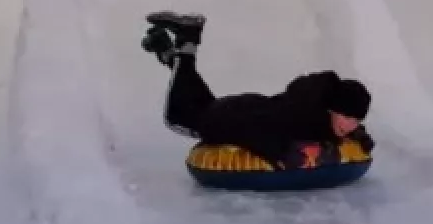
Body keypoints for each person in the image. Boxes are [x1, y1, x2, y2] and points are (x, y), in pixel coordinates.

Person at [141, 12, 373, 169]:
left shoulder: (320, 108)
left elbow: (334, 125)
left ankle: (166, 49)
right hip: (233, 119)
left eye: (356, 120)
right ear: (332, 109)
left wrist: (358, 134)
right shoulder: (304, 116)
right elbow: (257, 130)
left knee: (196, 98)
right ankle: (187, 41)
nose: (350, 125)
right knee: (177, 116)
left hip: (243, 107)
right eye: (347, 117)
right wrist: (280, 153)